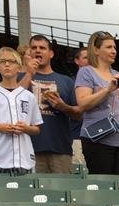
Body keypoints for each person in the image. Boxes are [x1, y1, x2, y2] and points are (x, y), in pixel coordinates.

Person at [0, 47, 42, 175]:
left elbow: (37, 128)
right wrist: (1, 127)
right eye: (2, 61)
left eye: (11, 61)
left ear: (19, 67)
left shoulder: (28, 96)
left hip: (24, 159)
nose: (7, 64)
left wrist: (25, 128)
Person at [74, 31, 119, 175]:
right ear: (95, 50)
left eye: (114, 48)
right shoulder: (86, 72)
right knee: (104, 189)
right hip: (98, 139)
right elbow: (82, 104)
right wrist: (107, 90)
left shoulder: (116, 73)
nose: (113, 51)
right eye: (108, 47)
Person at [23, 35, 81, 174]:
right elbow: (12, 102)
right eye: (34, 48)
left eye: (42, 48)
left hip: (60, 149)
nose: (38, 51)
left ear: (51, 53)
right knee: (32, 194)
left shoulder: (66, 81)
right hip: (27, 149)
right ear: (29, 53)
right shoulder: (20, 78)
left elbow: (79, 115)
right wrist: (28, 73)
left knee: (63, 193)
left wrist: (63, 107)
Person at [70, 47, 88, 166]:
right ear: (77, 61)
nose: (89, 60)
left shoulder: (100, 82)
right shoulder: (71, 83)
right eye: (85, 58)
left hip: (99, 138)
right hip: (78, 136)